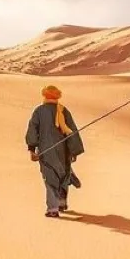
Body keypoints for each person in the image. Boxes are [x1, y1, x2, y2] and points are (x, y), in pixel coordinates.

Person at [25, 85, 84, 217]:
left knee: (50, 177)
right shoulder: (63, 111)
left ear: (45, 96)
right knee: (63, 175)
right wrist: (74, 151)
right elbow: (72, 131)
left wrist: (31, 149)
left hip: (46, 151)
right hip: (64, 151)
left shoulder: (39, 111)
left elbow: (33, 130)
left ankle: (53, 208)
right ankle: (62, 202)